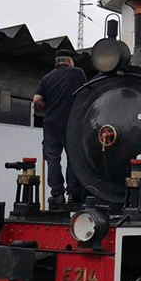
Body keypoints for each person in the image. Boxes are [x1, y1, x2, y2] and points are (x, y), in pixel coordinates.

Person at [33, 49, 86, 203]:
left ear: (57, 62)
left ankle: (57, 194)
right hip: (71, 124)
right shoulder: (77, 73)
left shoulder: (46, 78)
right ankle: (72, 193)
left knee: (52, 159)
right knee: (73, 158)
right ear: (70, 61)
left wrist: (45, 107)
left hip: (50, 125)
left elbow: (36, 99)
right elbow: (86, 92)